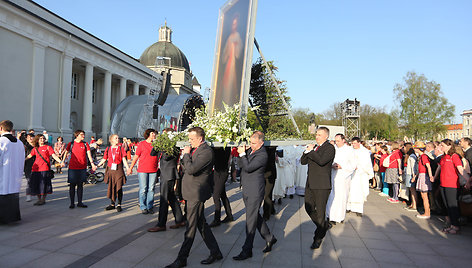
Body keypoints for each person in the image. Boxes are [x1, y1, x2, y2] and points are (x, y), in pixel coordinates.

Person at [165, 127, 222, 268]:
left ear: (200, 138)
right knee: (201, 224)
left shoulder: (206, 152)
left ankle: (181, 258)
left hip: (196, 193)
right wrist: (186, 157)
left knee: (190, 227)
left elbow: (191, 169)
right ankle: (215, 252)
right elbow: (186, 168)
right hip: (191, 191)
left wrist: (186, 155)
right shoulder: (197, 149)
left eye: (192, 139)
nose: (189, 142)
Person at [233, 131, 277, 261]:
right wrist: (242, 154)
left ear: (261, 143)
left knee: (250, 221)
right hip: (247, 189)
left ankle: (247, 250)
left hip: (254, 191)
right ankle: (269, 237)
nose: (251, 145)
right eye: (250, 142)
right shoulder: (250, 151)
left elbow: (248, 167)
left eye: (254, 143)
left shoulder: (262, 155)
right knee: (255, 216)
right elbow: (242, 165)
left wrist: (242, 154)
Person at [300, 127, 335, 249]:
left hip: (322, 185)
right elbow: (303, 162)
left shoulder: (330, 148)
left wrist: (312, 151)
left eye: (319, 135)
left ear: (326, 136)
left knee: (320, 212)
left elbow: (321, 161)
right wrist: (306, 151)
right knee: (308, 207)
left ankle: (318, 237)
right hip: (310, 183)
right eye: (316, 134)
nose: (317, 137)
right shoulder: (314, 148)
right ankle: (323, 226)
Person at [148, 129, 186, 232]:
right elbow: (152, 153)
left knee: (164, 199)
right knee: (171, 197)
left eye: (164, 135)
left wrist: (163, 145)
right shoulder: (165, 145)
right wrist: (158, 143)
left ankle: (161, 224)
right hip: (165, 174)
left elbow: (166, 157)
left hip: (169, 175)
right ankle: (179, 220)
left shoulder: (174, 146)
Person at [435, 139, 465, 234]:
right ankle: (452, 224)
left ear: (449, 146)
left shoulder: (454, 156)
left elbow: (461, 170)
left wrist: (468, 180)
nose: (440, 147)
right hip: (443, 184)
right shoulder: (444, 157)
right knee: (447, 206)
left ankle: (455, 226)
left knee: (453, 206)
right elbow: (439, 168)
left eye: (442, 145)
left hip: (452, 185)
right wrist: (434, 177)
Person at [25, 134, 63, 205]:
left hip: (45, 168)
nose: (42, 140)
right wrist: (22, 160)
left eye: (43, 138)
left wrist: (60, 161)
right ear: (37, 140)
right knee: (37, 184)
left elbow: (53, 155)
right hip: (35, 169)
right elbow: (29, 156)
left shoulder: (48, 147)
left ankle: (43, 199)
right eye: (40, 139)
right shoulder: (35, 149)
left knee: (44, 184)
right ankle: (39, 199)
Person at [63, 130, 97, 209]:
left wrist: (92, 164)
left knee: (80, 185)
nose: (83, 136)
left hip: (82, 167)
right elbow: (66, 152)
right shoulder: (71, 144)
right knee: (72, 185)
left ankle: (80, 202)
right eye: (82, 134)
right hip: (73, 168)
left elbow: (89, 154)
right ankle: (72, 203)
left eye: (84, 134)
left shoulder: (85, 144)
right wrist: (62, 161)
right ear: (77, 135)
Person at [127, 129, 158, 214]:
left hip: (153, 169)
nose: (154, 135)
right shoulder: (142, 144)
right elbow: (136, 157)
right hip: (143, 170)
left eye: (155, 133)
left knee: (151, 189)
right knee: (143, 189)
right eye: (152, 133)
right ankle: (143, 206)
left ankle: (149, 206)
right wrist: (130, 168)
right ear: (148, 134)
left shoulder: (157, 145)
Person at [326, 134, 355, 224]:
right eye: (335, 141)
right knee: (331, 195)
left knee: (341, 196)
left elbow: (353, 164)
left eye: (338, 141)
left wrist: (342, 166)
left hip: (343, 176)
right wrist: (332, 165)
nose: (336, 143)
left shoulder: (349, 150)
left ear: (343, 140)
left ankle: (339, 216)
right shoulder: (333, 148)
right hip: (333, 175)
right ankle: (329, 215)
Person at [0, 120, 25, 224]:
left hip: (4, 175)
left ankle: (3, 219)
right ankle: (14, 217)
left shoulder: (1, 141)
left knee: (3, 195)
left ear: (1, 128)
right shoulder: (19, 143)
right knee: (13, 197)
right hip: (16, 175)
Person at [96, 134, 129, 212]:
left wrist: (128, 168)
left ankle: (119, 204)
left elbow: (124, 159)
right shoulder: (108, 149)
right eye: (116, 138)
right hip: (111, 170)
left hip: (119, 169)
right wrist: (97, 166)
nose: (118, 139)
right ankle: (112, 204)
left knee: (119, 187)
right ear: (111, 140)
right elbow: (104, 159)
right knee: (111, 187)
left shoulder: (121, 148)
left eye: (118, 138)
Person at [347, 137, 374, 217]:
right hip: (351, 174)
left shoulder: (364, 152)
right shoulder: (350, 150)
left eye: (355, 143)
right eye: (352, 143)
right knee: (349, 191)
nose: (353, 145)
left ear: (359, 143)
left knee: (359, 192)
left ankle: (358, 209)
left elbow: (367, 163)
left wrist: (361, 168)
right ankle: (348, 207)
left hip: (360, 174)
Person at [208, 147, 234, 227]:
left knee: (216, 196)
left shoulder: (223, 147)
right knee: (222, 194)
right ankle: (229, 215)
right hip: (217, 171)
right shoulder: (220, 147)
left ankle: (217, 219)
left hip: (222, 172)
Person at [412, 141, 434, 219]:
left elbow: (428, 166)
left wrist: (430, 176)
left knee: (424, 196)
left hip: (424, 175)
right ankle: (426, 212)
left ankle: (427, 213)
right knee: (423, 195)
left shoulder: (424, 156)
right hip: (422, 175)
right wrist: (415, 176)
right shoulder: (422, 156)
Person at [24, 133, 35, 202]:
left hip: (37, 166)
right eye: (28, 137)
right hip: (28, 166)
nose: (30, 139)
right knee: (29, 180)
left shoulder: (37, 146)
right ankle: (28, 195)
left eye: (31, 137)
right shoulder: (25, 146)